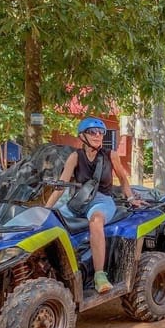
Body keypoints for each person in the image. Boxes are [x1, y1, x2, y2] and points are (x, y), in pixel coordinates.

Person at [45, 117, 143, 294]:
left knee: (95, 222)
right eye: (92, 132)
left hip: (102, 201)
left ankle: (99, 275)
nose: (98, 135)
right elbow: (60, 187)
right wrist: (44, 211)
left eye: (101, 132)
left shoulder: (110, 155)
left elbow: (123, 179)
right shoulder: (75, 157)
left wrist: (130, 199)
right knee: (52, 223)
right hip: (78, 202)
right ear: (82, 136)